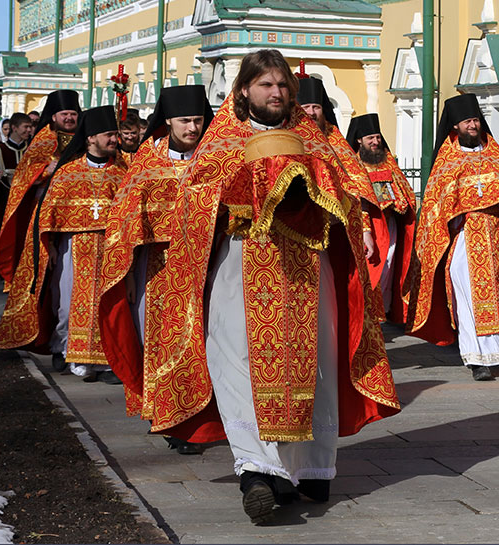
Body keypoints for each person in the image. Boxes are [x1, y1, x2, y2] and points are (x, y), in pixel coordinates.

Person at [141, 49, 399, 525]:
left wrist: (316, 191)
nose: (276, 93)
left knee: (314, 363)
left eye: (282, 85)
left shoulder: (316, 140)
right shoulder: (221, 141)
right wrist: (248, 190)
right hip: (240, 266)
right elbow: (196, 201)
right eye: (265, 85)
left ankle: (310, 467)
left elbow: (347, 193)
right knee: (236, 361)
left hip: (306, 271)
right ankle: (257, 472)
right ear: (244, 91)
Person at [99, 85, 213, 455]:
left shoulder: (216, 156)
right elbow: (126, 219)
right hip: (159, 269)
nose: (193, 128)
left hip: (210, 265)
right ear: (168, 120)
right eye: (185, 121)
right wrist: (128, 275)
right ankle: (171, 418)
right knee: (164, 344)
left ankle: (206, 420)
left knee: (209, 342)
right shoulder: (149, 158)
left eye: (197, 120)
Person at [410, 94, 499, 381]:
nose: (473, 125)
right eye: (467, 121)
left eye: (475, 120)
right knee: (468, 295)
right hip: (464, 237)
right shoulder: (446, 163)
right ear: (455, 126)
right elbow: (437, 207)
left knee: (497, 293)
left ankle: (493, 351)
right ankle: (476, 358)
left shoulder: (496, 156)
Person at [0, 106, 127, 384]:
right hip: (72, 248)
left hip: (111, 250)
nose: (114, 139)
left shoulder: (123, 171)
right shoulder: (67, 173)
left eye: (115, 134)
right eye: (108, 134)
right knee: (68, 306)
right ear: (90, 138)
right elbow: (47, 215)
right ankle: (65, 349)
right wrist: (50, 246)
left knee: (108, 306)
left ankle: (106, 364)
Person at [0, 90, 81, 291]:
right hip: (45, 207)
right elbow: (23, 175)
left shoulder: (84, 136)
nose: (69, 118)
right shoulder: (44, 138)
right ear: (54, 116)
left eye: (73, 114)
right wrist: (45, 170)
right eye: (64, 114)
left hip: (78, 207)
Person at [296, 77, 379, 265]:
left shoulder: (335, 140)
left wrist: (365, 231)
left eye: (316, 107)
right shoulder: (288, 138)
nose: (311, 112)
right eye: (306, 107)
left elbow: (357, 189)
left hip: (335, 231)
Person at [346, 113, 419, 323]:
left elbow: (404, 190)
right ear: (359, 140)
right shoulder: (353, 165)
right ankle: (367, 315)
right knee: (372, 270)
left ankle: (383, 313)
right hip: (369, 226)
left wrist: (404, 205)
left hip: (391, 223)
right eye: (370, 138)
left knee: (388, 269)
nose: (376, 142)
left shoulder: (388, 162)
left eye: (378, 137)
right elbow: (354, 199)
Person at [0, 112, 32, 235]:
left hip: (28, 202)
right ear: (14, 128)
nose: (29, 130)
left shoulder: (32, 150)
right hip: (5, 204)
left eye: (30, 127)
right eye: (26, 127)